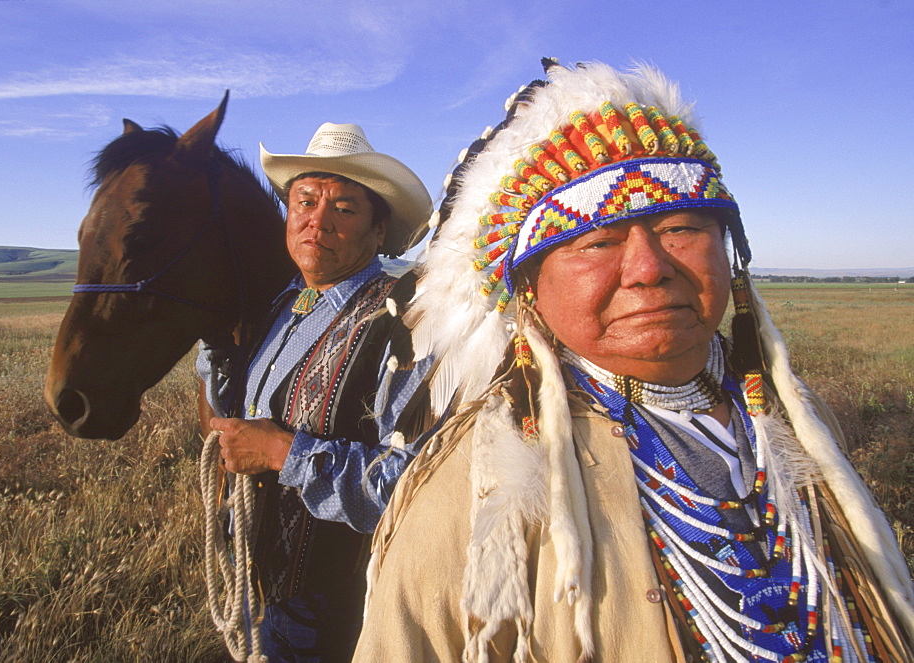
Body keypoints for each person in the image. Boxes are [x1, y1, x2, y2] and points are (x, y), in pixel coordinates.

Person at [354, 61, 914, 662]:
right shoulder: (485, 483)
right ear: (529, 291)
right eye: (598, 241)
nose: (648, 267)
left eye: (680, 227)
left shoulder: (791, 419)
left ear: (731, 256)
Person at [196, 121, 432, 661]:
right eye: (305, 201)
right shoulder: (280, 307)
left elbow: (415, 488)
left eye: (344, 208)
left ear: (379, 233)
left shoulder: (407, 322)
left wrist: (281, 452)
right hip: (257, 586)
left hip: (340, 608)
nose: (317, 221)